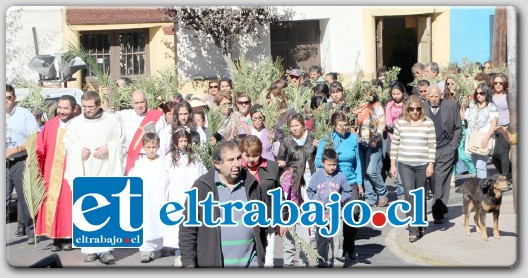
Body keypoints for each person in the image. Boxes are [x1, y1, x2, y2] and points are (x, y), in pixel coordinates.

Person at [178, 141, 267, 267]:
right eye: (230, 160)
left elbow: (263, 225)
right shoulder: (202, 187)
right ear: (217, 164)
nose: (237, 164)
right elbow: (188, 229)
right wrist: (188, 263)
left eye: (238, 158)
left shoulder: (251, 184)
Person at [63, 90, 124, 264]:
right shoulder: (75, 124)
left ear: (98, 105)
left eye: (91, 107)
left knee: (105, 209)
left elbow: (120, 141)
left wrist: (109, 147)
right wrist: (77, 150)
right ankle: (89, 249)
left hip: (105, 171)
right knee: (86, 209)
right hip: (85, 172)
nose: (87, 110)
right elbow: (67, 143)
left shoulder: (111, 120)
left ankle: (105, 249)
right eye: (85, 106)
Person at [314, 111, 362, 267]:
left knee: (353, 213)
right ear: (334, 125)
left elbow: (358, 162)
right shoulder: (327, 139)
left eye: (346, 125)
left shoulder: (353, 138)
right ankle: (333, 250)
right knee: (334, 217)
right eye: (341, 126)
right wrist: (332, 161)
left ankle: (350, 245)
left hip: (351, 180)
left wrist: (360, 182)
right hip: (333, 181)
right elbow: (318, 161)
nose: (345, 128)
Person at [390, 95, 436, 242]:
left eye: (417, 109)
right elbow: (395, 144)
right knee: (409, 194)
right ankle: (413, 228)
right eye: (411, 109)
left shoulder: (428, 123)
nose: (415, 112)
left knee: (420, 195)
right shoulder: (401, 123)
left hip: (422, 163)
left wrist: (431, 163)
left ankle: (421, 220)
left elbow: (431, 145)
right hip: (405, 163)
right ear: (407, 109)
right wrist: (392, 164)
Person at [35, 95, 78, 252]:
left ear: (74, 109)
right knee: (53, 204)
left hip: (72, 171)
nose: (61, 111)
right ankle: (56, 239)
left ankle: (70, 237)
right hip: (52, 172)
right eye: (59, 107)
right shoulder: (50, 125)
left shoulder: (80, 125)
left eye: (65, 108)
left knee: (69, 204)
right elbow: (40, 146)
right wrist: (33, 159)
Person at [162, 129, 206, 267]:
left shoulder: (195, 157)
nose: (183, 144)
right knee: (178, 227)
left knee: (193, 225)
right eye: (180, 141)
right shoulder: (169, 158)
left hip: (192, 196)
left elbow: (202, 173)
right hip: (176, 196)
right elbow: (164, 179)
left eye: (185, 141)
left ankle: (193, 253)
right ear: (175, 142)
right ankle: (179, 253)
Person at [424, 85, 462, 224]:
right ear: (427, 97)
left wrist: (453, 146)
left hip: (446, 148)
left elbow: (458, 127)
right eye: (431, 96)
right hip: (429, 149)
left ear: (441, 95)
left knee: (441, 178)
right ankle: (441, 206)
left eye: (436, 96)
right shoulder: (422, 107)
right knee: (434, 181)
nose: (433, 99)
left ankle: (437, 212)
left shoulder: (451, 106)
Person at [240, 135, 280, 267]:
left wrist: (283, 220)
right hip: (245, 222)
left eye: (255, 155)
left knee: (268, 260)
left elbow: (278, 195)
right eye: (247, 155)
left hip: (268, 221)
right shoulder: (237, 170)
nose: (251, 160)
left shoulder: (272, 167)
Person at [5, 84, 39, 243]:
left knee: (25, 199)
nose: (5, 101)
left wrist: (17, 149)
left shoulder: (24, 115)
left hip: (20, 161)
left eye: (8, 97)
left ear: (14, 98)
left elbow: (34, 138)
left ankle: (32, 232)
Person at [308, 148, 352, 267]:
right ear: (323, 163)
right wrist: (316, 201)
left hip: (336, 214)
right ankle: (322, 262)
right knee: (321, 240)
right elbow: (310, 191)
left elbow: (348, 191)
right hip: (321, 214)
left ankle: (337, 261)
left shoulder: (340, 176)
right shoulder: (317, 176)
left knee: (337, 239)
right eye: (329, 165)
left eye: (334, 164)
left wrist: (340, 199)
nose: (332, 167)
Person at [128, 133, 166, 264]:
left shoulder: (163, 161)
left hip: (159, 196)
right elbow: (133, 178)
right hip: (145, 199)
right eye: (148, 147)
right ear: (144, 147)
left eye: (154, 147)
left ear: (158, 146)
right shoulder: (140, 163)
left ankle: (158, 247)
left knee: (158, 222)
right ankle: (145, 249)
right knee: (147, 223)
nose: (151, 150)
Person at [113, 90, 165, 174]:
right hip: (132, 162)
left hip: (151, 161)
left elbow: (163, 142)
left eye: (142, 102)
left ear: (146, 101)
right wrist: (106, 98)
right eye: (136, 103)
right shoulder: (125, 115)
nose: (139, 106)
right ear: (132, 103)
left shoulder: (157, 117)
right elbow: (107, 117)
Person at [353, 89, 388, 207]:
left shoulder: (376, 106)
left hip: (373, 141)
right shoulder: (359, 106)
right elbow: (355, 124)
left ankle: (382, 192)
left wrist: (375, 138)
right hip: (360, 141)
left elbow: (381, 124)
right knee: (364, 172)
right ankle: (370, 198)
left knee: (371, 170)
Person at [278, 146, 311, 268]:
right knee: (290, 244)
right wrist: (284, 221)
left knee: (305, 243)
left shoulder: (298, 175)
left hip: (300, 214)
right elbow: (284, 199)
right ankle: (288, 266)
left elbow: (298, 196)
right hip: (289, 216)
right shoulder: (287, 176)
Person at [464, 83, 498, 179]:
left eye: (481, 93)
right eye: (477, 93)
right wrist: (462, 104)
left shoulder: (491, 106)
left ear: (486, 93)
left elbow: (494, 123)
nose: (478, 95)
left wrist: (486, 138)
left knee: (480, 165)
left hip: (484, 138)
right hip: (472, 138)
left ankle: (482, 188)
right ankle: (482, 185)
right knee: (476, 165)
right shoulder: (472, 105)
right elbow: (463, 117)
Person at [385, 81, 406, 198]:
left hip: (406, 138)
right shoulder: (389, 105)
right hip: (394, 138)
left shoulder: (407, 104)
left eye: (398, 93)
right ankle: (401, 190)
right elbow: (388, 123)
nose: (396, 96)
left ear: (403, 93)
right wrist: (395, 124)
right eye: (393, 94)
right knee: (396, 164)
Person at [491, 73, 511, 180]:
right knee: (494, 156)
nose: (498, 85)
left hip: (505, 127)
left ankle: (504, 177)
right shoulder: (490, 96)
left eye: (500, 83)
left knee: (502, 153)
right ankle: (510, 172)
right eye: (495, 83)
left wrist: (508, 127)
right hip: (493, 128)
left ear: (505, 83)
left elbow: (514, 112)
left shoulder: (508, 96)